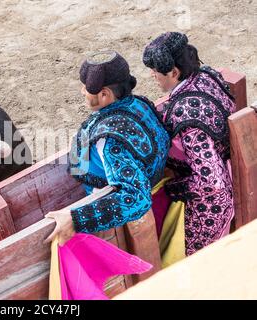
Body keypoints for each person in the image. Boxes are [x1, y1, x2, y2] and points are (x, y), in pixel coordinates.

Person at [45, 50, 170, 245]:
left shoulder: (110, 141)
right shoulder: (139, 103)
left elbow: (137, 198)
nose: (82, 92)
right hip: (157, 185)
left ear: (104, 94)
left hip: (123, 225)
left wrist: (77, 219)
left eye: (87, 89)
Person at [142, 32, 236, 261]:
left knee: (192, 269)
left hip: (211, 208)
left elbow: (212, 182)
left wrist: (175, 188)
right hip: (230, 165)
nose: (153, 76)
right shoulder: (206, 74)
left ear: (174, 72)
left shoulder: (185, 115)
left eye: (156, 71)